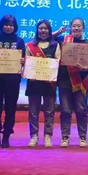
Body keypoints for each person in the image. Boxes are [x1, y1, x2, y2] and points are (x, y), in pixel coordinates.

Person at [0, 15, 25, 149]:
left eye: (11, 25)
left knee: (10, 109)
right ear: (1, 26)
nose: (8, 27)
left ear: (15, 27)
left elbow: (24, 59)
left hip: (12, 81)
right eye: (6, 24)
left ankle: (6, 136)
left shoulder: (19, 41)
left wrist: (23, 61)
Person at [57, 18, 88, 148]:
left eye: (79, 26)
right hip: (65, 81)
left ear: (83, 28)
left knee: (81, 110)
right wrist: (58, 32)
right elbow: (46, 39)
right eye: (74, 26)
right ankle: (65, 137)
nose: (76, 28)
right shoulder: (63, 40)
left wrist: (85, 68)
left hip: (81, 81)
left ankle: (82, 137)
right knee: (65, 110)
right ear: (70, 28)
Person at [25, 19, 61, 148]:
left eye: (46, 28)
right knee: (33, 112)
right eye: (41, 28)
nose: (43, 31)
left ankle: (48, 136)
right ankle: (34, 136)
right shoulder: (30, 45)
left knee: (49, 112)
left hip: (49, 83)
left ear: (49, 30)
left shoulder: (55, 45)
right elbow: (27, 63)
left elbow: (58, 62)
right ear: (37, 30)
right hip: (34, 82)